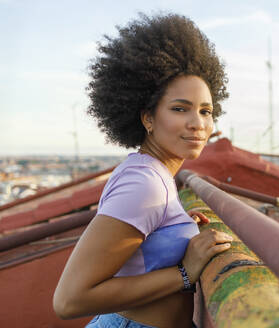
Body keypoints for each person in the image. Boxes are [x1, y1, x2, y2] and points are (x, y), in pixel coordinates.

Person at [53, 13, 232, 328]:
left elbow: (137, 252)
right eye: (180, 108)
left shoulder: (149, 173)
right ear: (148, 118)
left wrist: (173, 228)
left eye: (206, 111)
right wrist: (183, 273)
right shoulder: (144, 184)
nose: (198, 123)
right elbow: (69, 299)